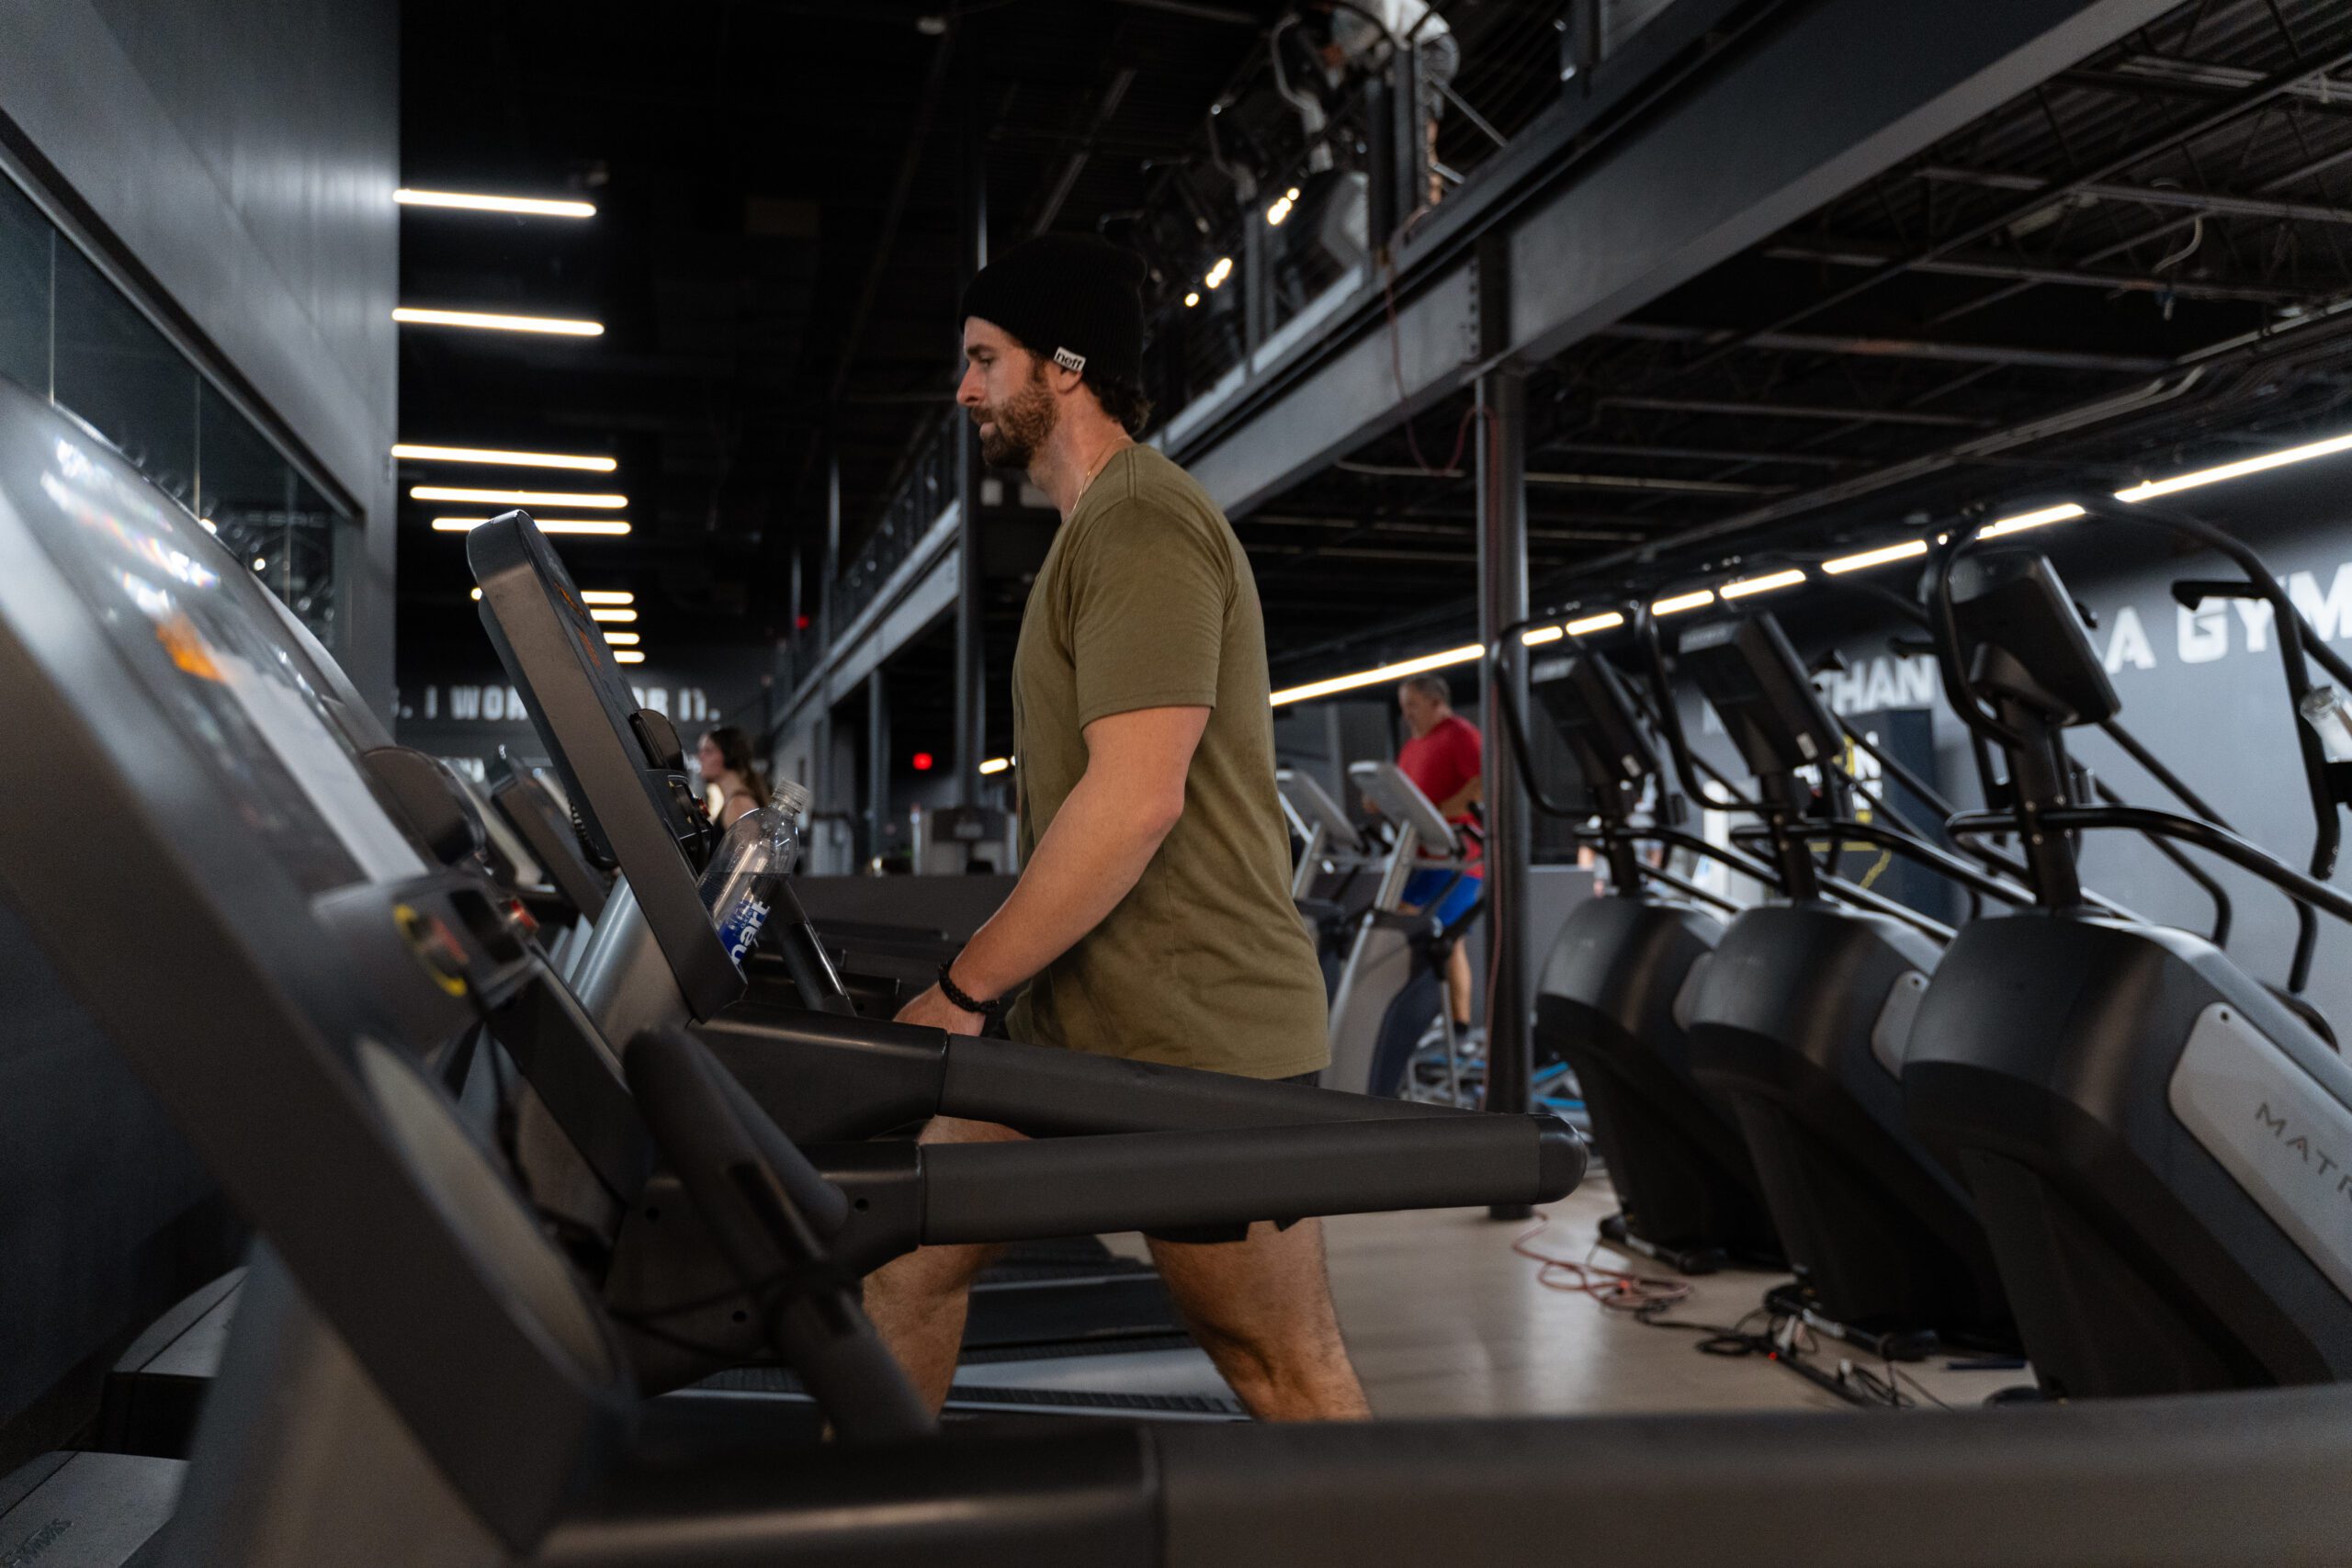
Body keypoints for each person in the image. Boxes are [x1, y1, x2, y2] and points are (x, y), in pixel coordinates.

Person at [862, 231, 1369, 1422]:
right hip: (1080, 1020)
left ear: (1067, 366)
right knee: (904, 1267)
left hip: (1195, 1035)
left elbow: (1138, 797)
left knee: (1278, 1363)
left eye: (986, 359)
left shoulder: (1144, 524)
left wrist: (968, 986)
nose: (965, 389)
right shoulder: (1089, 536)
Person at [1393, 672, 1481, 1032]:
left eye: (1412, 706)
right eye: (1403, 708)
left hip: (1458, 858)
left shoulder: (1460, 734)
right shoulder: (1414, 745)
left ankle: (1445, 1022)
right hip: (1424, 857)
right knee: (1444, 939)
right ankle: (1447, 1023)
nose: (1407, 715)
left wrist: (1448, 807)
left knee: (1416, 925)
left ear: (1435, 702)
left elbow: (1485, 780)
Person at [1307, 0, 1459, 208]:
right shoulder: (1339, 18)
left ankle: (1429, 204)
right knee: (1407, 138)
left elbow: (1380, 20)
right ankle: (1426, 202)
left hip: (1428, 47)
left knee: (1417, 133)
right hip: (1399, 68)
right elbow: (1347, 60)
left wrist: (1343, 50)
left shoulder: (1356, 7)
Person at [695, 725, 769, 829]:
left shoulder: (739, 805)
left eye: (708, 751)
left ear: (728, 755)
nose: (700, 757)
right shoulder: (735, 802)